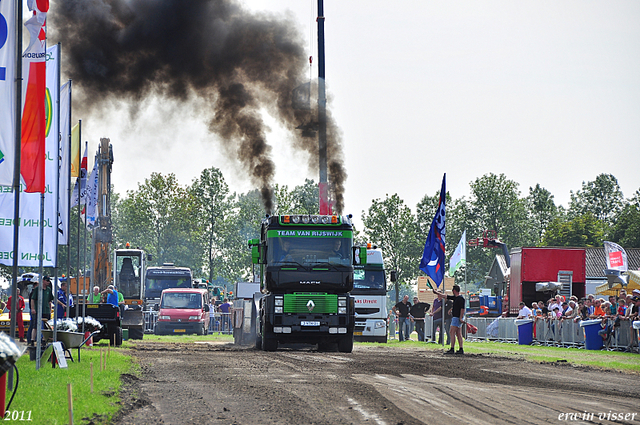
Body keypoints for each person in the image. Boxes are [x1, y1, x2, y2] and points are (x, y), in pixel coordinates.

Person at [433, 285, 465, 355]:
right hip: (456, 317)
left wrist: (460, 318)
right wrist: (437, 293)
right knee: (458, 333)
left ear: (454, 290)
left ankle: (452, 348)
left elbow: (462, 309)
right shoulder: (456, 298)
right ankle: (460, 349)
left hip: (456, 317)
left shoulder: (460, 299)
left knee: (451, 332)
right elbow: (445, 296)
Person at [30, 276, 54, 345]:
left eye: (49, 281)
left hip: (46, 310)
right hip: (38, 310)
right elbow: (33, 299)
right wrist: (33, 308)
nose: (48, 282)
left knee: (46, 326)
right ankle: (32, 340)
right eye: (47, 280)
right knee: (35, 326)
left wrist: (50, 310)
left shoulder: (48, 290)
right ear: (43, 280)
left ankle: (44, 340)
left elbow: (50, 301)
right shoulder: (37, 289)